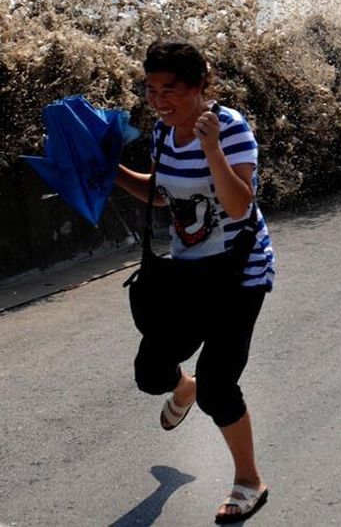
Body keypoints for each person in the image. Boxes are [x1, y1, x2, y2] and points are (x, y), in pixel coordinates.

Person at [116, 40, 275, 524]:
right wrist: (112, 174)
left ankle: (249, 480)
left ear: (200, 85)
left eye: (173, 90)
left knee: (219, 388)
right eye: (151, 90)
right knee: (150, 374)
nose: (161, 101)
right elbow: (163, 197)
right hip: (188, 273)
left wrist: (210, 149)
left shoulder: (229, 129)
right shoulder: (163, 134)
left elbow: (237, 205)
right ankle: (183, 385)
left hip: (238, 274)